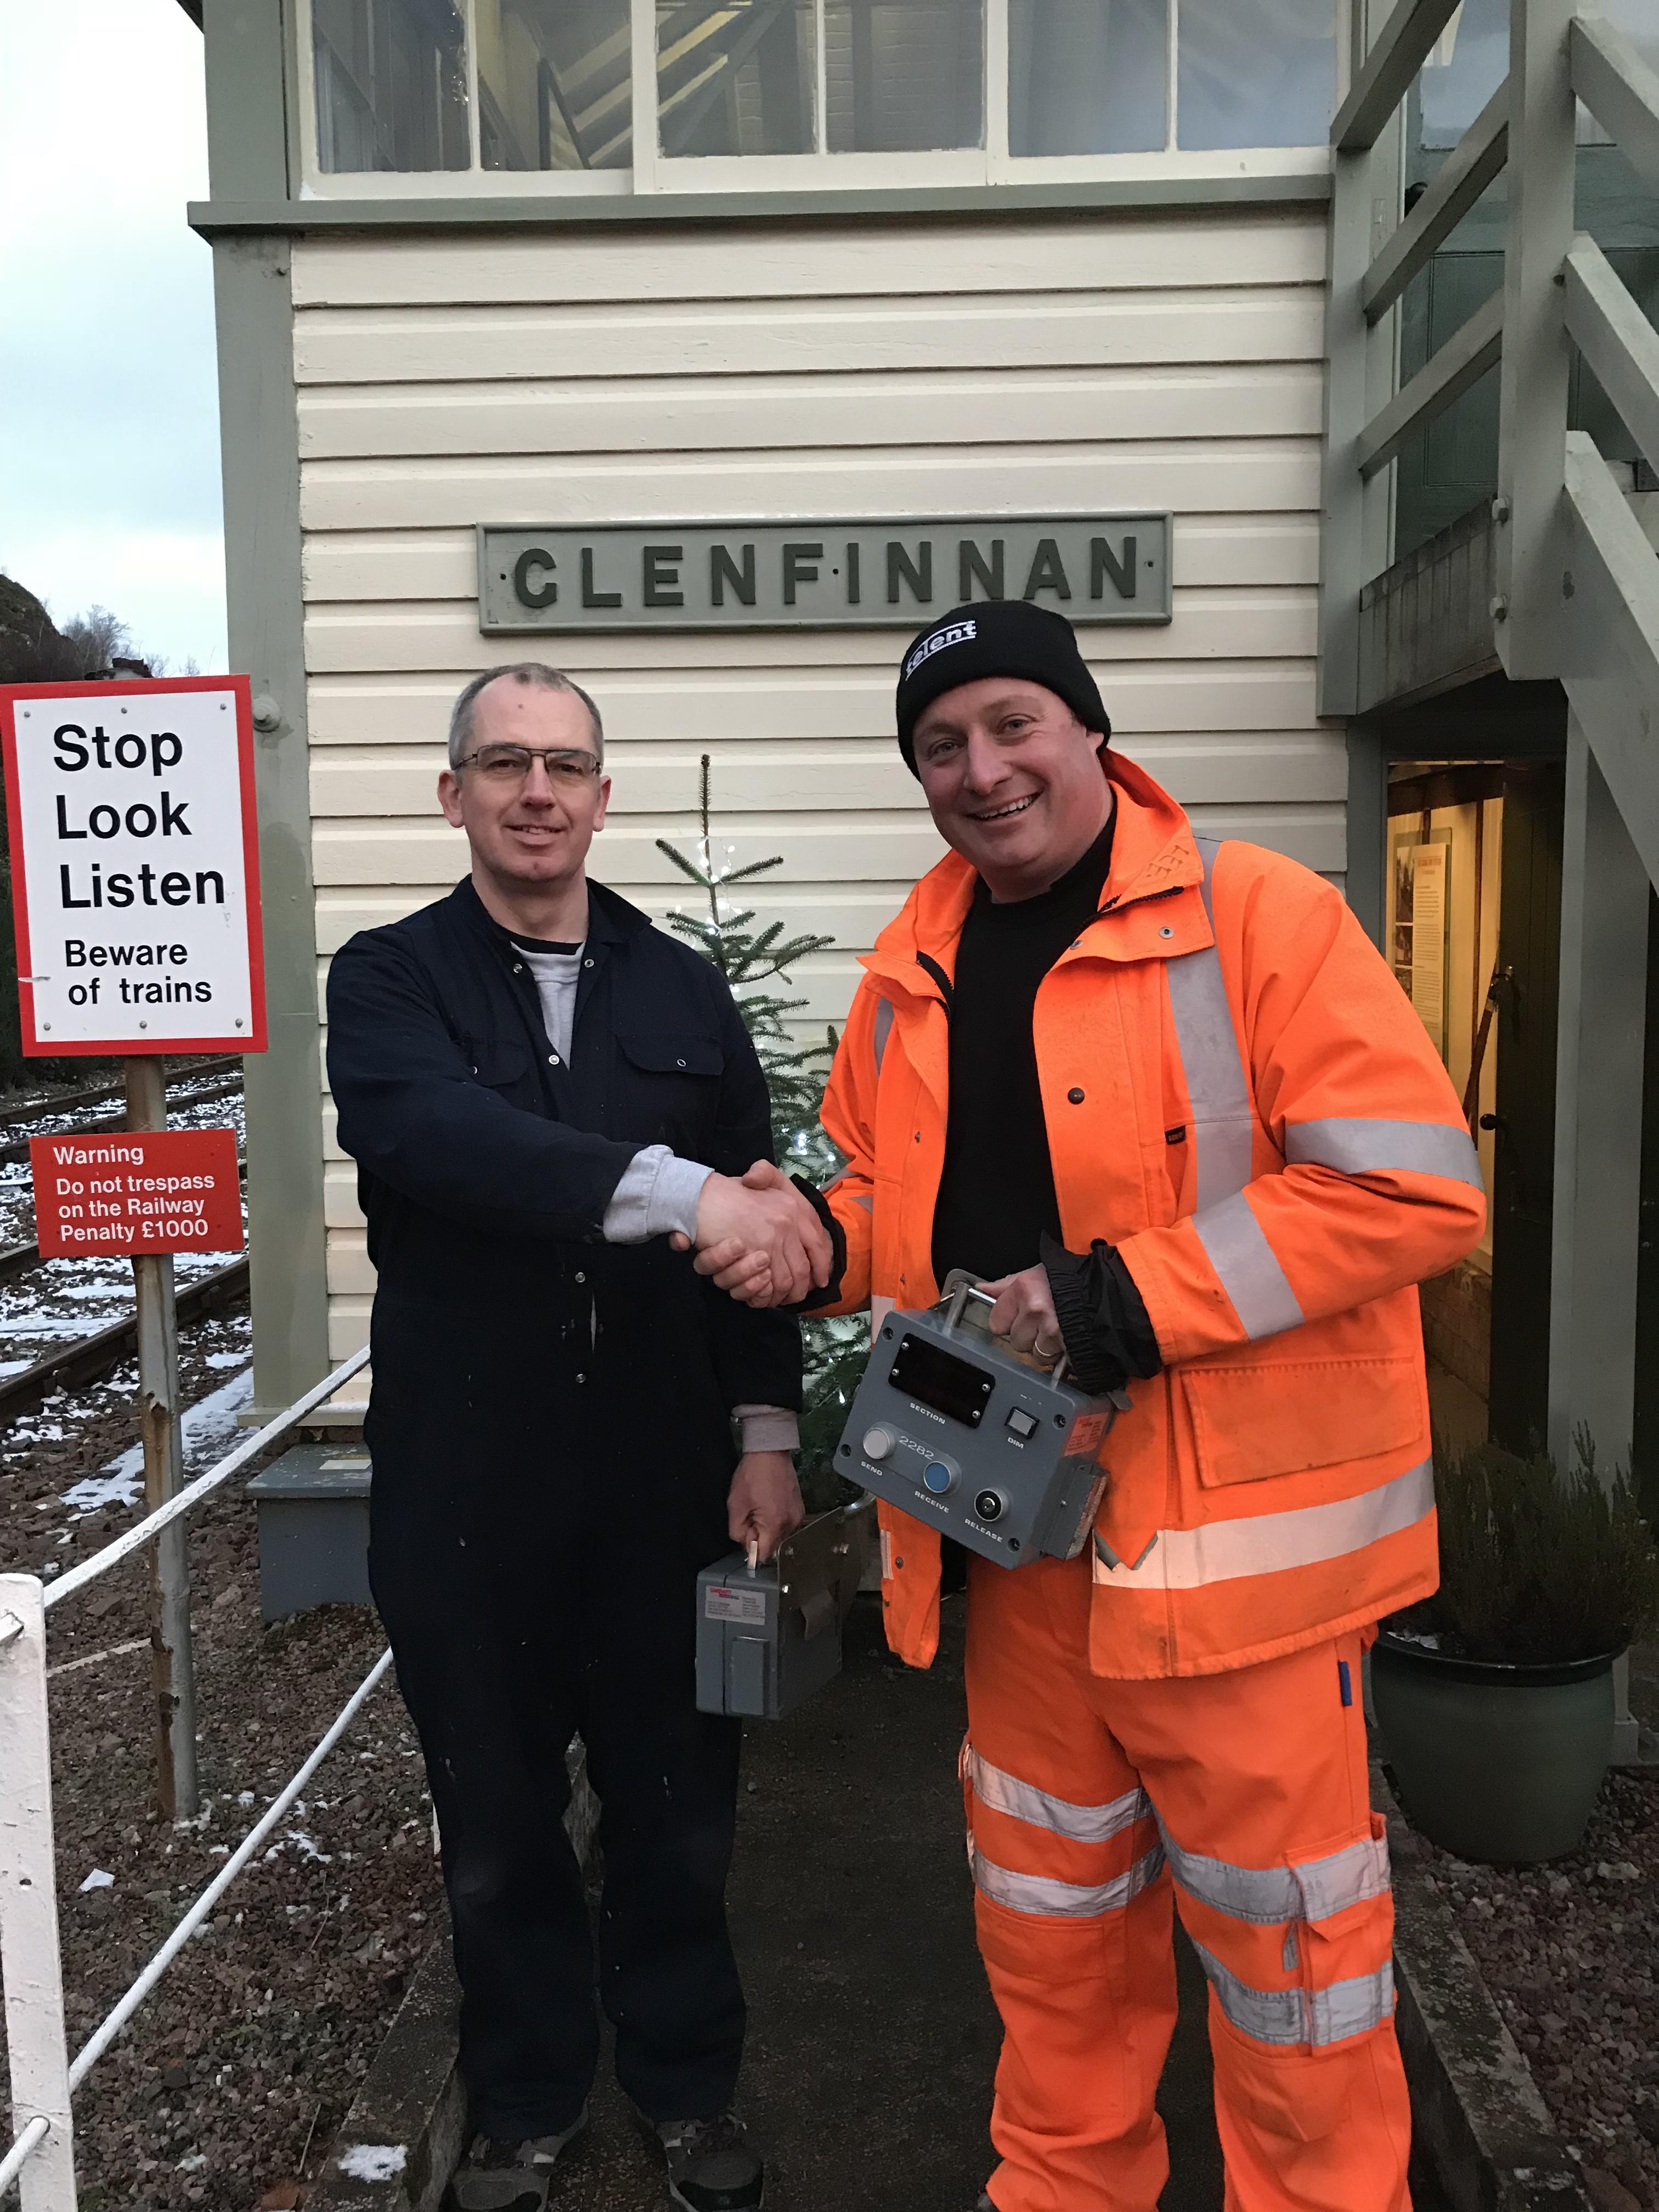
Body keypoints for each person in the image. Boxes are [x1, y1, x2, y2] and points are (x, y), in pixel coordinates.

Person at [706, 602, 1486, 2211]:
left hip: (1247, 1584)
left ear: (1090, 732)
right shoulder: (911, 969)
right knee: (1051, 1943)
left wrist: (1115, 1298)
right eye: (941, 745)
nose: (981, 770)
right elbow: (897, 1203)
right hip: (1023, 1553)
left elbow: (1411, 1191)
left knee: (1294, 1979)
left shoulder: (1259, 919)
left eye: (1014, 725)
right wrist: (815, 1243)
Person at [325, 662, 831, 2212]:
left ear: (603, 798)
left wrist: (765, 1431)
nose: (535, 791)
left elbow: (757, 1215)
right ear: (454, 794)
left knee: (679, 1807)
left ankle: (687, 2085)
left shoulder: (683, 991)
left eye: (563, 765)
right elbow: (441, 1139)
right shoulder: (390, 981)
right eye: (503, 763)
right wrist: (687, 1195)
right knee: (495, 1814)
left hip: (663, 1482)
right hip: (463, 1482)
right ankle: (528, 2097)